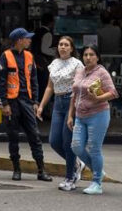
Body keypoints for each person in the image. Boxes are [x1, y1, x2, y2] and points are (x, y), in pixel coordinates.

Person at [0, 27, 52, 182]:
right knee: (13, 137)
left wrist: (35, 101)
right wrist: (5, 104)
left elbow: (33, 80)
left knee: (34, 136)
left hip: (27, 102)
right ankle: (16, 169)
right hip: (12, 103)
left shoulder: (29, 56)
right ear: (19, 40)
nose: (30, 40)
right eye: (27, 38)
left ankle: (41, 170)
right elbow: (1, 82)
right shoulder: (5, 57)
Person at [68, 45, 118, 195]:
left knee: (94, 148)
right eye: (85, 55)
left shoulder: (102, 72)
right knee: (76, 147)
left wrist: (98, 98)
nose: (88, 57)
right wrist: (70, 115)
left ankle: (97, 183)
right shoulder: (79, 71)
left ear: (97, 57)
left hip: (98, 114)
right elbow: (74, 94)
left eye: (91, 55)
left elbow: (113, 93)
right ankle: (98, 171)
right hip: (80, 116)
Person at [36, 36, 84, 191]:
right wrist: (41, 105)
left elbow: (78, 87)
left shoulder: (77, 64)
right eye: (60, 45)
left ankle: (70, 178)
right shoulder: (54, 64)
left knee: (67, 142)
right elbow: (50, 87)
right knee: (54, 141)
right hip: (57, 103)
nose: (63, 47)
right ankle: (77, 164)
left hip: (71, 102)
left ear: (71, 48)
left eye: (66, 45)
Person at [32, 13, 55, 105]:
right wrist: (55, 51)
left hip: (35, 62)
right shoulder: (47, 33)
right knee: (45, 86)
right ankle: (43, 109)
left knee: (38, 86)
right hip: (43, 63)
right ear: (51, 23)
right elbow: (44, 49)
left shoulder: (36, 31)